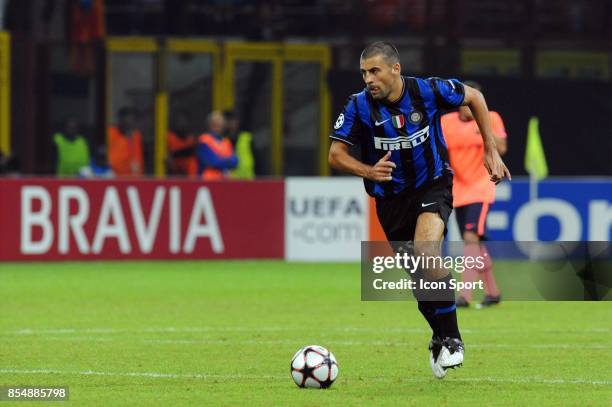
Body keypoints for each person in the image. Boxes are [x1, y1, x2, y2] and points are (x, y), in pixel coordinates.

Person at [328, 42, 510, 379]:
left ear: (395, 69)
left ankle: (453, 338)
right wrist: (368, 171)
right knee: (420, 281)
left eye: (375, 71)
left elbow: (475, 97)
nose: (369, 79)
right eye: (364, 73)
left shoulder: (427, 90)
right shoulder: (357, 106)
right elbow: (335, 154)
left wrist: (490, 149)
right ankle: (439, 336)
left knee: (427, 252)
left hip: (433, 185)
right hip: (390, 200)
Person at [442, 81, 507, 308]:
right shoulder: (446, 122)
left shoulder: (491, 117)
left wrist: (484, 130)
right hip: (459, 189)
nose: (466, 108)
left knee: (470, 238)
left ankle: (464, 295)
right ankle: (493, 292)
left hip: (481, 187)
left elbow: (502, 148)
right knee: (475, 243)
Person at [197, 111, 238, 180]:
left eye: (220, 122)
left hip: (226, 181)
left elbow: (235, 161)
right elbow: (212, 161)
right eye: (215, 122)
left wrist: (221, 161)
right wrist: (227, 162)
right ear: (210, 124)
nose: (218, 125)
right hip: (209, 181)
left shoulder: (226, 142)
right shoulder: (204, 140)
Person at [107, 107, 144, 176]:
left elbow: (138, 159)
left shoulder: (136, 136)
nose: (128, 124)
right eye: (126, 121)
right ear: (120, 120)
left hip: (133, 178)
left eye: (131, 122)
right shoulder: (111, 132)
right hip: (114, 176)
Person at [224, 110, 255, 180]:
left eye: (233, 121)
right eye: (229, 121)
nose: (231, 124)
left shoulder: (247, 137)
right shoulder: (223, 140)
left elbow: (258, 160)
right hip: (230, 180)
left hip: (248, 178)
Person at [167, 110, 198, 177]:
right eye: (179, 121)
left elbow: (192, 150)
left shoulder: (191, 137)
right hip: (175, 164)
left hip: (187, 165)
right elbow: (174, 152)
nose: (182, 124)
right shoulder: (170, 136)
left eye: (184, 121)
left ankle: (192, 182)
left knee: (192, 161)